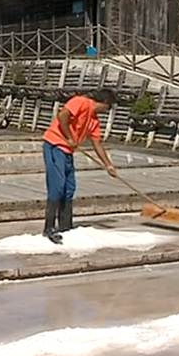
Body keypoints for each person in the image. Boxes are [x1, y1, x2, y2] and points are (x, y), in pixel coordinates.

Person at [41, 88, 119, 244]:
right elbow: (63, 115)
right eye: (109, 107)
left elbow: (97, 143)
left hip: (67, 151)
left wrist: (108, 165)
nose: (108, 111)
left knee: (69, 188)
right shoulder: (81, 102)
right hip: (55, 145)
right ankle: (49, 228)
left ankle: (65, 226)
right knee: (58, 186)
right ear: (105, 103)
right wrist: (69, 137)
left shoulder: (93, 120)